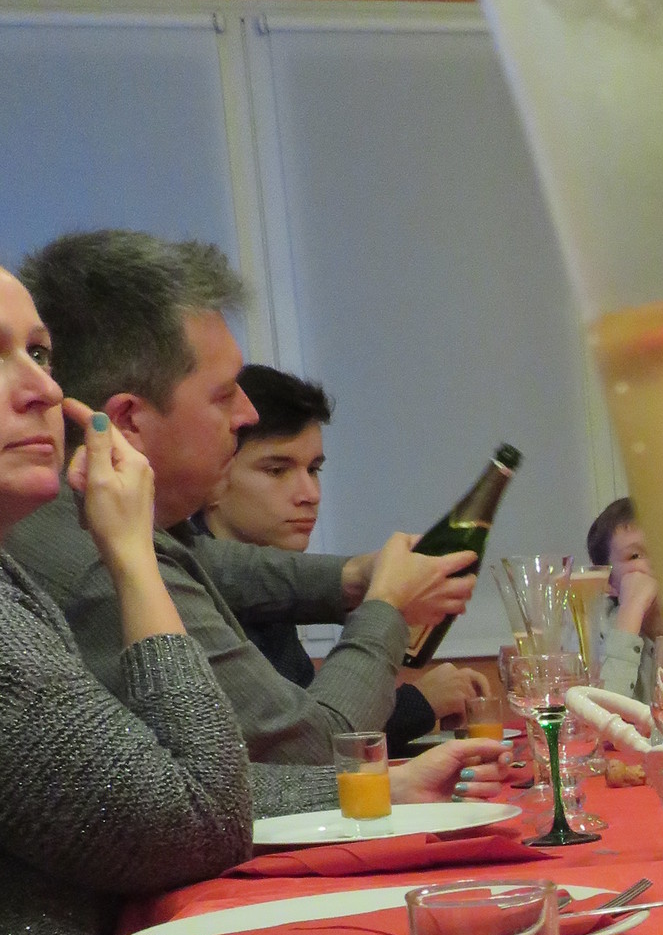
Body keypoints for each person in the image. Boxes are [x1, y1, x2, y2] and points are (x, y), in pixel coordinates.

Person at [7, 232, 488, 815]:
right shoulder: (97, 563)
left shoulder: (83, 520)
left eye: (38, 354)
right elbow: (313, 750)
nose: (248, 413)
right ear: (129, 420)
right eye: (223, 395)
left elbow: (209, 563)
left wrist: (354, 579)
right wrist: (386, 606)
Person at [0, 263, 252, 935]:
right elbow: (200, 820)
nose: (42, 389)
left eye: (38, 353)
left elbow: (129, 778)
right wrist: (132, 555)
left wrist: (366, 784)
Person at [196, 363, 487, 750]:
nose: (310, 494)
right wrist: (419, 702)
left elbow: (308, 724)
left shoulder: (276, 582)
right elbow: (297, 748)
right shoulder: (189, 588)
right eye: (277, 470)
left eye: (314, 469)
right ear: (214, 474)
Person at [586, 494, 663, 699]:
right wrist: (631, 610)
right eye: (635, 556)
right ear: (608, 581)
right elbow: (602, 711)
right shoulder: (597, 628)